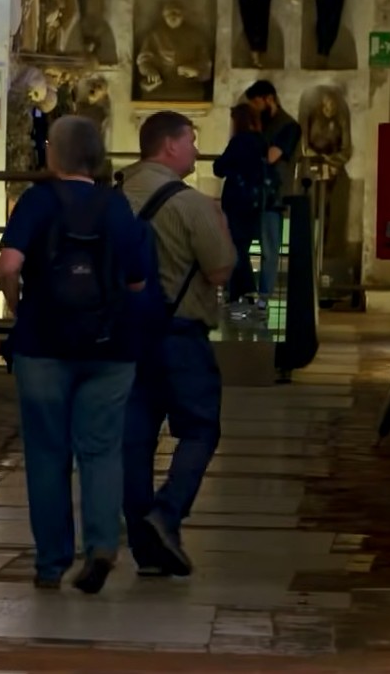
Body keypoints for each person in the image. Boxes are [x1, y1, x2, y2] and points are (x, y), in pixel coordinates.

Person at [0, 116, 150, 594]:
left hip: (43, 345)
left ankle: (50, 563)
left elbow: (9, 263)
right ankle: (101, 543)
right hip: (110, 347)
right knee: (101, 449)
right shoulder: (117, 205)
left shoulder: (38, 201)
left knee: (46, 453)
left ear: (52, 154)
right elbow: (138, 281)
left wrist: (20, 305)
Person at [118, 111, 237, 577]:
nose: (196, 148)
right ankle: (166, 513)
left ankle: (146, 550)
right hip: (180, 335)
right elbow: (221, 269)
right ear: (168, 146)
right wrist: (220, 221)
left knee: (135, 441)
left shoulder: (115, 197)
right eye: (191, 139)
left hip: (127, 337)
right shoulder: (191, 204)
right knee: (200, 427)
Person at [213, 103, 272, 309]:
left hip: (237, 200)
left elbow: (219, 168)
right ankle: (239, 291)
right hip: (255, 201)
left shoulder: (239, 141)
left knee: (236, 246)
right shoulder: (260, 141)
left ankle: (243, 289)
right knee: (242, 245)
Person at [245, 80, 301, 298]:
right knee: (239, 248)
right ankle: (248, 296)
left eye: (257, 103)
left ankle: (263, 300)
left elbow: (272, 157)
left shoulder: (288, 126)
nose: (255, 109)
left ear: (270, 99)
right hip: (253, 195)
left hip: (272, 198)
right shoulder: (262, 124)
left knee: (269, 252)